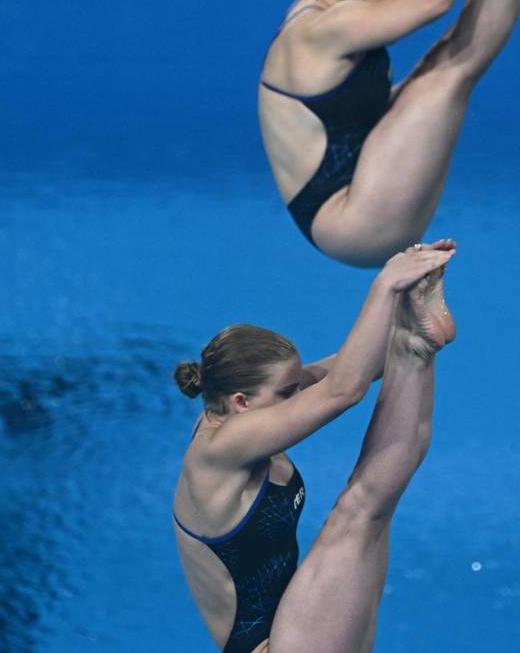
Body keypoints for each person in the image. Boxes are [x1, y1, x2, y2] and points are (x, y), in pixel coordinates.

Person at [172, 240, 457, 652]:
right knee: (358, 512)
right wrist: (384, 285)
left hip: (300, 631)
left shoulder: (241, 411)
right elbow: (343, 390)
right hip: (274, 645)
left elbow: (350, 368)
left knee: (371, 511)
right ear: (241, 402)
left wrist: (405, 314)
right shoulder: (218, 449)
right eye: (288, 391)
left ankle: (416, 347)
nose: (298, 397)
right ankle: (414, 348)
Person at [259, 0, 520, 267]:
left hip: (356, 170)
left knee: (437, 65)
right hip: (350, 225)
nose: (407, 3)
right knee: (446, 76)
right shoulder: (326, 30)